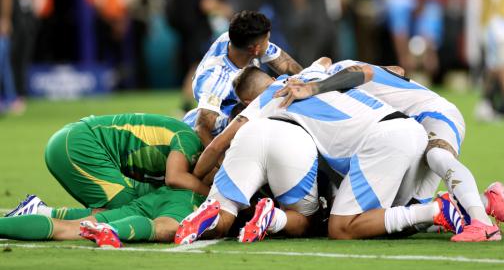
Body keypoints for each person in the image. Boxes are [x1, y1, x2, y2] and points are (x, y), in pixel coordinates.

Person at [187, 64, 471, 242]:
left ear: (246, 99)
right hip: (408, 129)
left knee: (342, 228)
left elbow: (218, 144)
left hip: (381, 141)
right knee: (394, 221)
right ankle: (476, 206)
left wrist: (197, 172)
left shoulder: (264, 101)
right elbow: (333, 61)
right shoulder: (309, 74)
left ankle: (437, 210)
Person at [273, 58, 504, 241]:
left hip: (432, 113)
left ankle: (481, 222)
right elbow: (396, 70)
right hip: (407, 133)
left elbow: (363, 72)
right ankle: (489, 201)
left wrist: (315, 87)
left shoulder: (338, 72)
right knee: (402, 213)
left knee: (437, 155)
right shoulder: (334, 76)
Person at [6, 113, 205, 220]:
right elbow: (175, 178)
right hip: (79, 144)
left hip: (72, 141)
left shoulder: (183, 139)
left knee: (127, 208)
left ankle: (38, 212)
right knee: (128, 212)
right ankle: (39, 213)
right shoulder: (188, 139)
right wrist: (211, 194)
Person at [174, 118, 319, 244]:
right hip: (296, 139)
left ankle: (212, 221)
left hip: (250, 131)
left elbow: (216, 145)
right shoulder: (315, 94)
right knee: (303, 221)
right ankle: (272, 217)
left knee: (223, 214)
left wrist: (196, 176)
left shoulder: (264, 97)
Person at [182, 10, 302, 147]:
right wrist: (222, 166)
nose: (268, 44)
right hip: (217, 130)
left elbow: (288, 66)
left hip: (237, 117)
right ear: (255, 49)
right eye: (266, 41)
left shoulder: (238, 40)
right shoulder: (216, 80)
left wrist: (305, 81)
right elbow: (202, 129)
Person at [0, 186, 204, 248]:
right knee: (166, 227)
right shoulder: (227, 126)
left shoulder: (197, 120)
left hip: (158, 192)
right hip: (191, 196)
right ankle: (113, 230)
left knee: (69, 228)